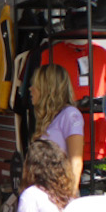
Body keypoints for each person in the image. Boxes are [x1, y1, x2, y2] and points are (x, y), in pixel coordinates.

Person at [28, 63, 85, 195]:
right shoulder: (50, 118)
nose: (30, 89)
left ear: (47, 88)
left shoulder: (70, 114)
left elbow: (76, 161)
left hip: (60, 193)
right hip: (45, 190)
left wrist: (70, 196)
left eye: (35, 84)